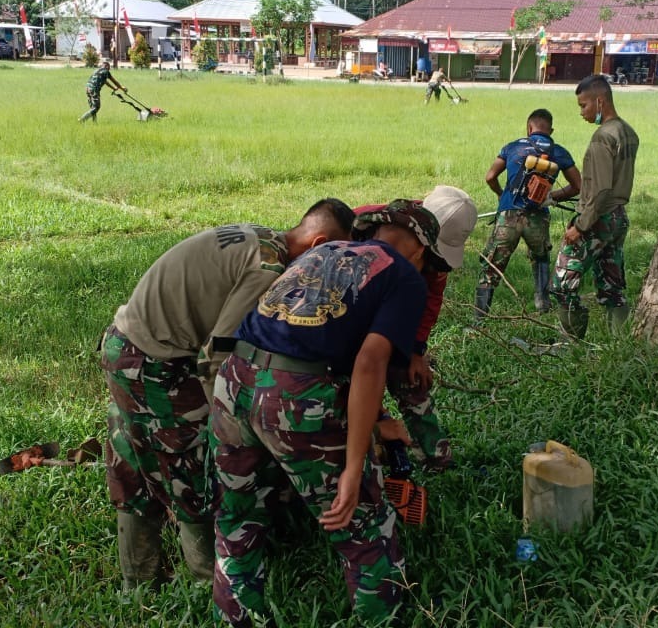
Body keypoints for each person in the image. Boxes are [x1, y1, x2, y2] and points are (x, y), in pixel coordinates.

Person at [211, 200, 449, 627]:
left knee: (238, 517)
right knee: (366, 527)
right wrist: (354, 468)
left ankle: (235, 618)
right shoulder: (404, 276)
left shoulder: (324, 252)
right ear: (419, 249)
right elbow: (370, 364)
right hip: (295, 397)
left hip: (233, 382)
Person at [98, 199, 356, 590]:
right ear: (318, 242)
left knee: (134, 456)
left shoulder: (263, 236)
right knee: (191, 464)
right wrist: (230, 424)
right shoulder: (268, 268)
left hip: (126, 343)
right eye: (331, 257)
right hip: (151, 361)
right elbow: (214, 359)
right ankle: (205, 581)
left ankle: (139, 582)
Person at [355, 185, 478, 471]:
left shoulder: (434, 264)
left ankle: (436, 457)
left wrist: (416, 349)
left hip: (392, 320)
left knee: (412, 378)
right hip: (346, 320)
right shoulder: (364, 226)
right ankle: (362, 455)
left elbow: (432, 299)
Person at [554, 74, 639, 338]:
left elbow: (601, 189)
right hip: (618, 218)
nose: (581, 112)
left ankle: (569, 346)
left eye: (584, 105)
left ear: (600, 102)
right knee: (612, 286)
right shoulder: (627, 132)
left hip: (597, 218)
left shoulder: (603, 137)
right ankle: (621, 344)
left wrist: (580, 226)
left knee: (562, 283)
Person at [476, 109, 581, 320]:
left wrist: (500, 195)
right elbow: (577, 186)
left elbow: (490, 177)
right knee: (541, 258)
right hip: (538, 217)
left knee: (491, 266)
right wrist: (552, 197)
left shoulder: (513, 147)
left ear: (528, 127)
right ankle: (542, 305)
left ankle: (479, 319)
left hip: (509, 216)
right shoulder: (559, 152)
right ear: (551, 130)